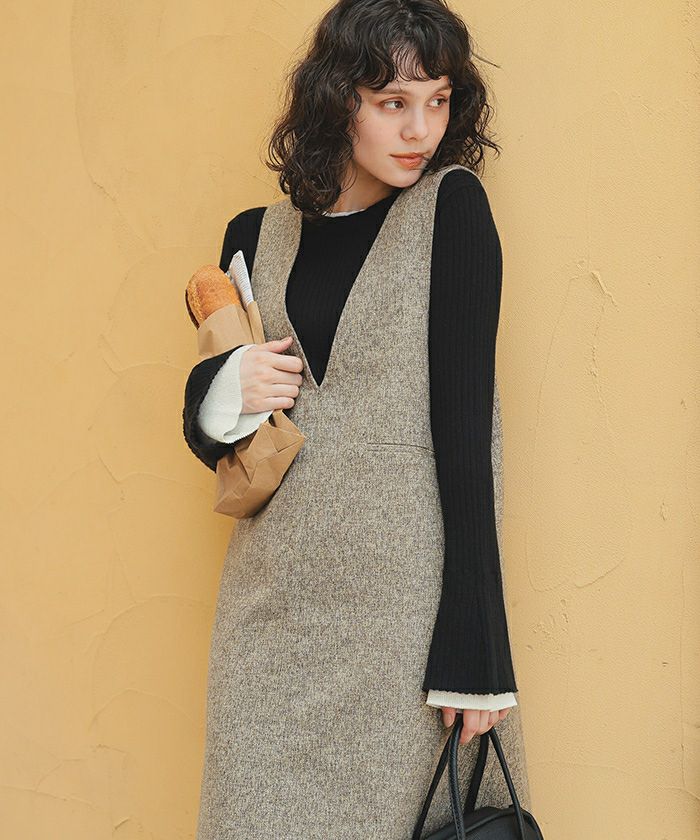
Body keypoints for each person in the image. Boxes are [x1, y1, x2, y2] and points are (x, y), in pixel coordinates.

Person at [182, 1, 532, 836]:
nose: (421, 129)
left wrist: (478, 648)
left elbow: (468, 439)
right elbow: (218, 442)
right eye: (393, 102)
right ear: (339, 100)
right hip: (269, 620)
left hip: (404, 627)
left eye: (439, 101)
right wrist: (228, 389)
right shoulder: (250, 238)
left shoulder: (453, 210)